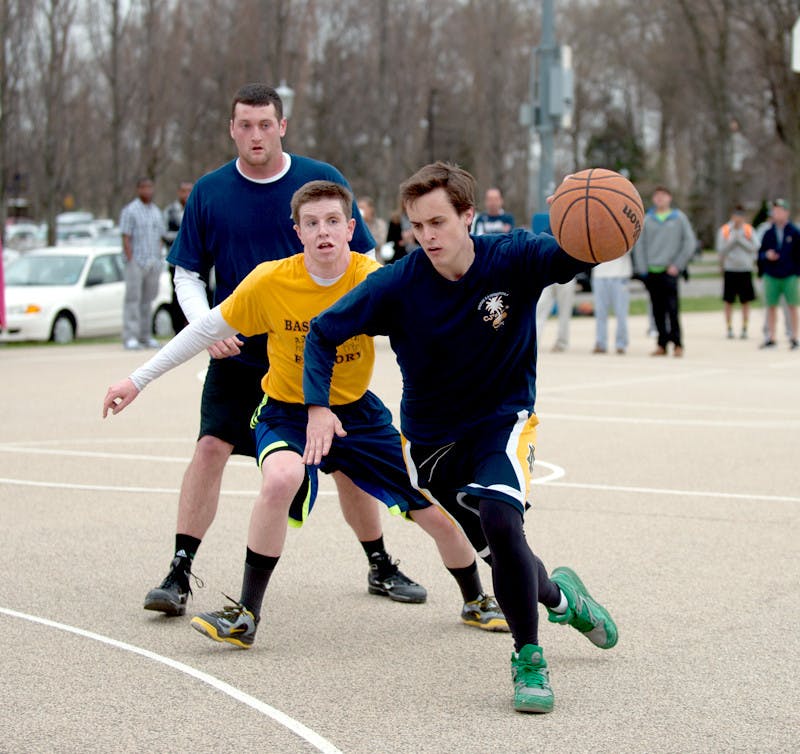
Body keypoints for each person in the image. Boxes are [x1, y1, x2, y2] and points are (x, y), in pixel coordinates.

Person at [103, 180, 506, 646]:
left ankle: (475, 599)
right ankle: (246, 614)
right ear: (296, 232)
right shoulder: (270, 281)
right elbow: (204, 330)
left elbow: (429, 333)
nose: (323, 232)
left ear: (352, 228)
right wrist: (137, 379)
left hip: (356, 414)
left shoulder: (373, 279)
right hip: (289, 412)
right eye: (311, 224)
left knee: (434, 509)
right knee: (279, 479)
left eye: (334, 221)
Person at [302, 162, 618, 714]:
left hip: (502, 420)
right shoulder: (397, 284)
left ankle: (529, 660)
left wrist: (582, 221)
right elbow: (324, 333)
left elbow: (574, 255)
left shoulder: (513, 257)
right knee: (504, 554)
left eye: (439, 222)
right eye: (418, 225)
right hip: (431, 446)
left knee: (501, 517)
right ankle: (565, 598)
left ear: (468, 216)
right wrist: (317, 407)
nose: (427, 236)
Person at [142, 82, 425, 620]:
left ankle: (380, 562)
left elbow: (362, 262)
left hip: (313, 357)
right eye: (244, 125)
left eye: (265, 124)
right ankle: (180, 569)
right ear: (232, 129)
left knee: (346, 463)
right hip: (239, 352)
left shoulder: (321, 181)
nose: (255, 134)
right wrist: (207, 325)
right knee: (209, 449)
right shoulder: (209, 191)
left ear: (282, 126)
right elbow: (186, 272)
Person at [632, 185, 696, 357]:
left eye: (663, 195)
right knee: (657, 310)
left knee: (673, 309)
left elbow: (689, 243)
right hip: (652, 271)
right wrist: (642, 268)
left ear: (669, 198)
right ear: (653, 199)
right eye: (657, 196)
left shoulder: (679, 218)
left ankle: (677, 343)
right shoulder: (647, 219)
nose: (660, 199)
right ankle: (662, 343)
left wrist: (678, 264)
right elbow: (639, 245)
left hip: (670, 271)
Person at [119, 177, 166, 350]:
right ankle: (130, 336)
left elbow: (161, 236)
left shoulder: (156, 211)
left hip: (153, 261)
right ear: (138, 190)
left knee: (148, 300)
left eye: (149, 187)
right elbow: (125, 236)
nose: (147, 191)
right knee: (133, 299)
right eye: (143, 188)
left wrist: (158, 256)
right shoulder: (130, 210)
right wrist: (130, 258)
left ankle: (145, 335)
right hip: (136, 262)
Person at [757, 198, 800, 349]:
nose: (777, 214)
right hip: (771, 274)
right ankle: (771, 337)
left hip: (789, 275)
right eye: (775, 211)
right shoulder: (768, 233)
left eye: (780, 211)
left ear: (786, 213)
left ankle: (794, 337)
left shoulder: (794, 232)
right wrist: (766, 256)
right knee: (771, 306)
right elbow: (760, 254)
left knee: (792, 306)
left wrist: (796, 272)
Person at [715, 204, 757, 339]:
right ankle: (729, 327)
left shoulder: (749, 230)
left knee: (745, 301)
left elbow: (755, 247)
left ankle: (744, 327)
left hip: (745, 269)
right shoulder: (726, 230)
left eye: (740, 216)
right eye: (736, 216)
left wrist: (741, 240)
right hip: (730, 269)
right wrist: (734, 240)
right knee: (728, 301)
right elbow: (721, 249)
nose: (738, 219)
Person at [163, 181, 195, 333]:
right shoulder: (170, 211)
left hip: (196, 262)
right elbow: (164, 234)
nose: (186, 194)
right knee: (177, 296)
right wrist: (184, 236)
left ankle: (193, 329)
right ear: (179, 193)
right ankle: (177, 330)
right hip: (176, 261)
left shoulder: (197, 207)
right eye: (184, 191)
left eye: (190, 190)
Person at [591, 251, 632, 354]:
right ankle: (600, 343)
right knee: (600, 313)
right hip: (599, 275)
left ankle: (621, 344)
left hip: (620, 274)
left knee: (621, 312)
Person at [536, 280, 575, 352]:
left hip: (567, 275)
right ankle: (534, 341)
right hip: (547, 275)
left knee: (564, 313)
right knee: (539, 310)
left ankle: (562, 343)